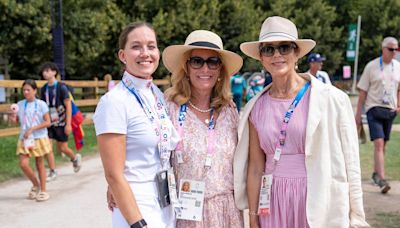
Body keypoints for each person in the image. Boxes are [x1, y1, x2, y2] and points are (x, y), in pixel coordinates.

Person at [234, 16, 369, 227]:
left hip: (318, 201)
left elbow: (351, 162)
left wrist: (357, 215)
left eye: (284, 47)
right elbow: (255, 168)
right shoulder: (255, 106)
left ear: (297, 53)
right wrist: (253, 217)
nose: (276, 54)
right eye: (268, 49)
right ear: (261, 57)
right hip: (271, 202)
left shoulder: (331, 99)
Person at [94, 22, 180, 228]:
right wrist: (137, 223)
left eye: (151, 46)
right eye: (136, 47)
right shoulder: (114, 102)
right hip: (136, 207)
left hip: (166, 203)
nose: (145, 53)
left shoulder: (157, 95)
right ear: (122, 56)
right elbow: (113, 174)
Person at [163, 30, 244, 227]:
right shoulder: (170, 108)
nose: (205, 68)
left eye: (212, 62)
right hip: (186, 214)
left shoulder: (230, 111)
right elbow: (147, 153)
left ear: (220, 69)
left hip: (227, 213)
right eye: (197, 61)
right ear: (187, 67)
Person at [355, 37, 400, 194]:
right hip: (374, 108)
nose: (394, 52)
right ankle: (382, 179)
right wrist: (358, 115)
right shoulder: (372, 66)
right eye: (391, 49)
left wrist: (398, 105)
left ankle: (375, 174)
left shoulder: (398, 67)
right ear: (383, 49)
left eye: (396, 49)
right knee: (379, 144)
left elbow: (398, 89)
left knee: (383, 145)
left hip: (390, 110)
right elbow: (362, 93)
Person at [39, 62, 82, 182]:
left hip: (62, 121)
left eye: (48, 70)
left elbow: (68, 106)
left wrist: (68, 124)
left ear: (54, 72)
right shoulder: (44, 89)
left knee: (63, 147)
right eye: (44, 71)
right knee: (48, 147)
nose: (45, 73)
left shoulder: (62, 87)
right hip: (49, 122)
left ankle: (74, 158)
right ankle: (52, 171)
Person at [10, 79, 51, 202]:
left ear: (35, 90)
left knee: (40, 164)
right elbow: (17, 121)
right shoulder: (20, 104)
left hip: (38, 138)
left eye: (28, 90)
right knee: (23, 164)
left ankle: (43, 190)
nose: (26, 92)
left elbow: (48, 122)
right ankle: (35, 184)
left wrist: (33, 129)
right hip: (25, 139)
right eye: (24, 90)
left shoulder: (41, 104)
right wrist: (13, 118)